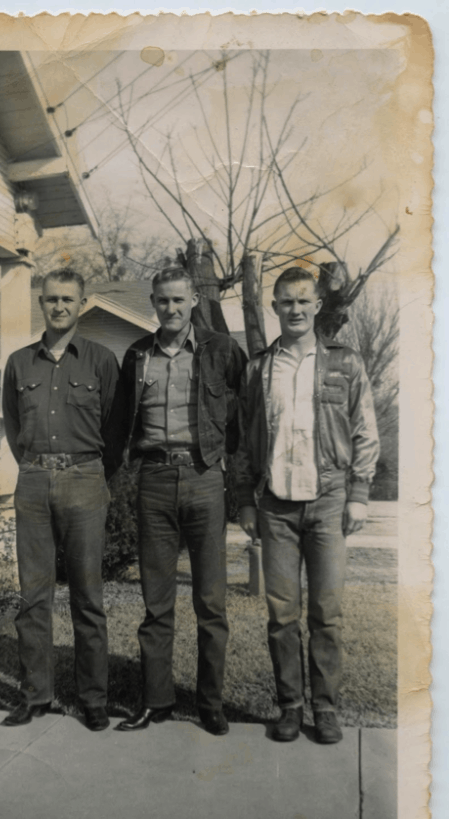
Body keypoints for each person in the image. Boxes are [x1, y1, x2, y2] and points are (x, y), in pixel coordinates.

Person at [236, 266, 379, 744]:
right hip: (275, 504)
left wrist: (359, 494)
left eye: (303, 301)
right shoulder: (259, 367)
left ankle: (326, 708)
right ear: (273, 307)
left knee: (327, 612)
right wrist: (246, 501)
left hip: (329, 501)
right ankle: (291, 707)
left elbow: (364, 432)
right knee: (281, 615)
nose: (294, 310)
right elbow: (243, 440)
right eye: (285, 302)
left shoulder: (346, 362)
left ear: (318, 305)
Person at [117, 267, 247, 736]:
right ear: (152, 303)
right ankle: (158, 701)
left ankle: (210, 703)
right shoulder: (137, 355)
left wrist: (230, 471)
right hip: (153, 480)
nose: (170, 309)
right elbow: (120, 422)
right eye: (161, 301)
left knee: (211, 601)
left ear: (194, 299)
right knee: (156, 602)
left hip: (204, 478)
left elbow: (242, 416)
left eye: (178, 300)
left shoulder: (222, 350)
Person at [1, 268, 124, 731]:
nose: (59, 307)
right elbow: (13, 427)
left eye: (68, 299)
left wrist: (90, 474)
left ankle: (93, 698)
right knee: (33, 597)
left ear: (81, 303)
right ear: (41, 303)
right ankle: (37, 695)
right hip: (33, 481)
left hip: (84, 480)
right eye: (51, 299)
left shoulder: (99, 360)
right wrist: (35, 467)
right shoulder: (18, 363)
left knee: (87, 596)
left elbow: (114, 429)